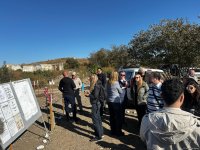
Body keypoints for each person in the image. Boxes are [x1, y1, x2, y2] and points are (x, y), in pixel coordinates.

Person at [140, 78, 200, 149]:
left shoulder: (147, 120)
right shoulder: (196, 124)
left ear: (161, 96)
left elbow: (143, 139)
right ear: (182, 98)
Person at [85, 74, 104, 142]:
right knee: (98, 118)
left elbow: (95, 96)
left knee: (95, 120)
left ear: (93, 79)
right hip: (97, 104)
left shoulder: (96, 86)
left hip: (95, 104)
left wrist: (88, 95)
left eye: (90, 79)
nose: (89, 80)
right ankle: (101, 133)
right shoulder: (98, 84)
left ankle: (98, 136)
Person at [107, 71, 124, 136]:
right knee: (118, 117)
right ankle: (118, 132)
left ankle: (113, 131)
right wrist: (121, 88)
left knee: (112, 117)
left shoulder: (108, 82)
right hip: (115, 102)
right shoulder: (116, 83)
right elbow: (120, 91)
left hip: (109, 101)